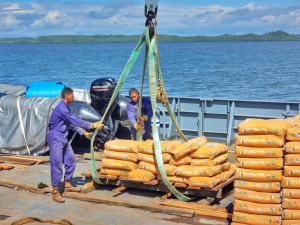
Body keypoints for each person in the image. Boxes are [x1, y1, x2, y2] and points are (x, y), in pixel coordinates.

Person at [47, 87, 104, 203]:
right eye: (72, 95)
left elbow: (71, 123)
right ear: (67, 96)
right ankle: (55, 191)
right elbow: (75, 120)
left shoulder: (65, 108)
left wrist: (83, 132)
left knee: (71, 159)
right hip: (55, 137)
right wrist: (92, 125)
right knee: (57, 164)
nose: (74, 97)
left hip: (63, 137)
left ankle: (67, 184)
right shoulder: (62, 108)